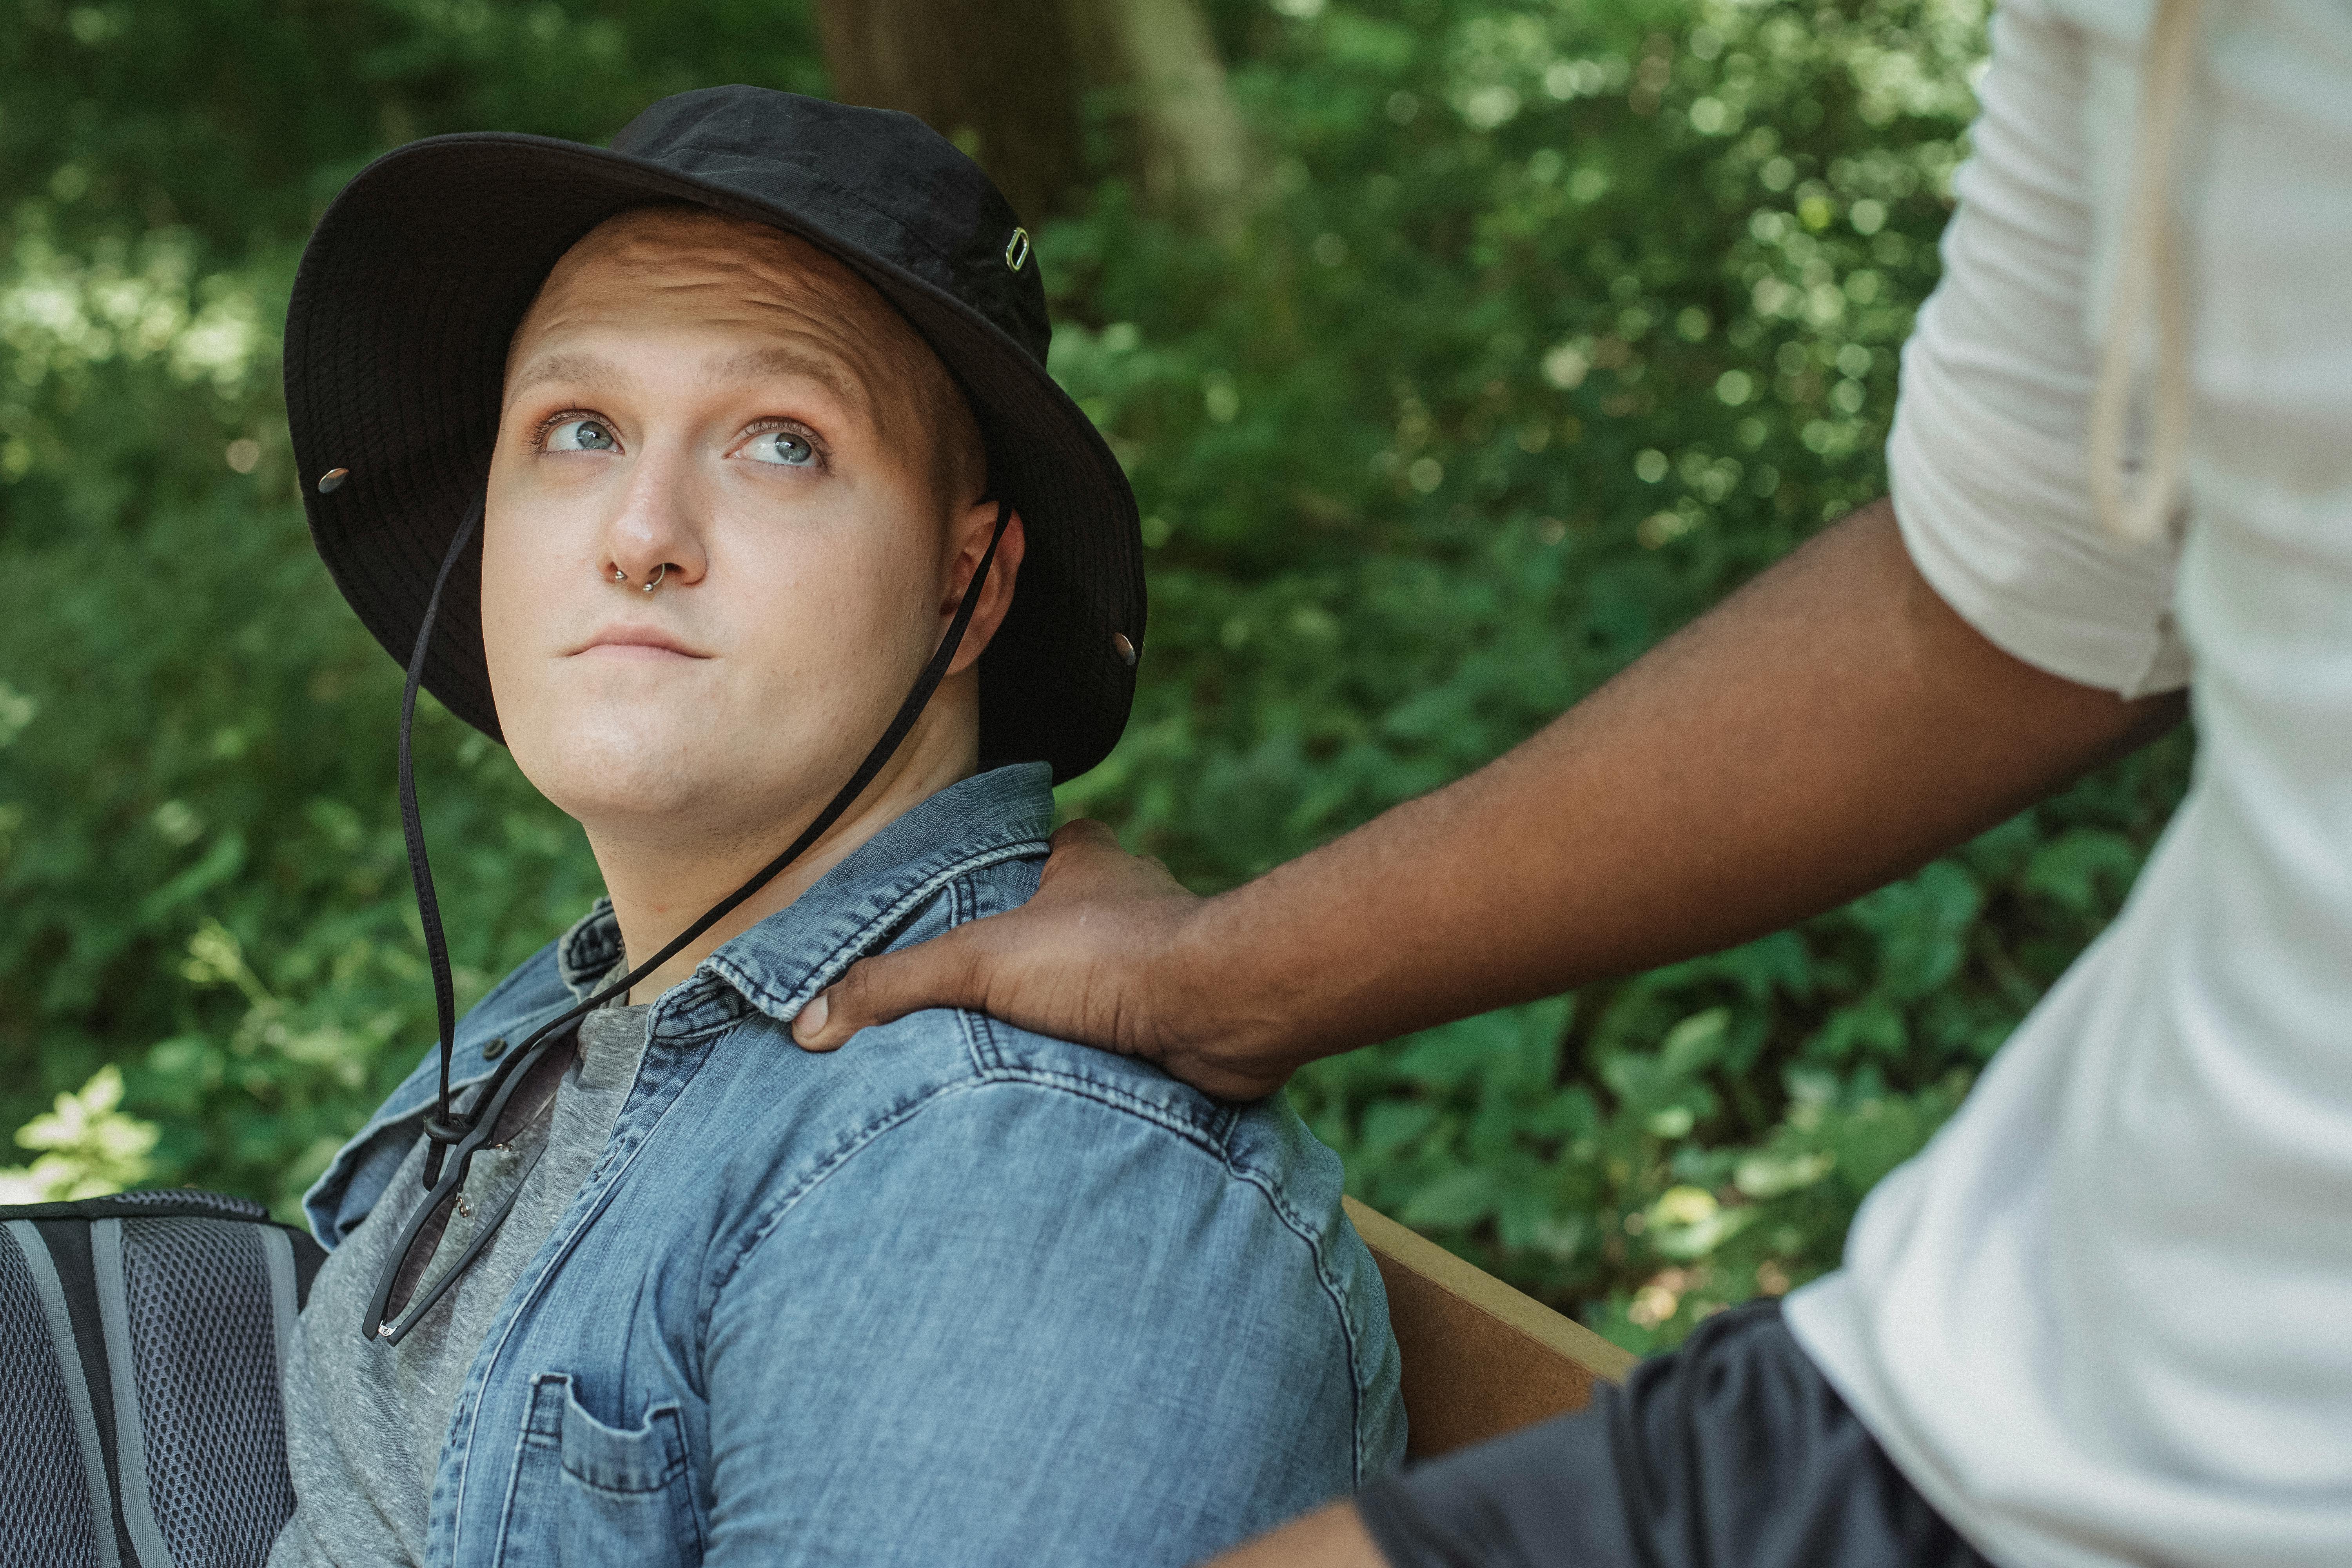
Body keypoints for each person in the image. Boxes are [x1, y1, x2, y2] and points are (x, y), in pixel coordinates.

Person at [789, 0, 2352, 1563]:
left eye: (785, 445)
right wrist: (1213, 980)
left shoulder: (1016, 1154)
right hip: (2015, 1402)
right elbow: (2027, 583)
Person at [267, 88, 1402, 1567]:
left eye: (783, 443)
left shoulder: (1016, 1176)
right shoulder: (600, 1009)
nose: (641, 532)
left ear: (971, 584)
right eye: (581, 427)